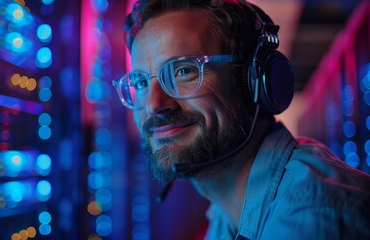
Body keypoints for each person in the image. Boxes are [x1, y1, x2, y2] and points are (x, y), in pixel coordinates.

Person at [112, 0, 370, 239]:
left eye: (184, 71)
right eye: (141, 82)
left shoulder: (310, 216)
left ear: (253, 82)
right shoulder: (224, 213)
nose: (154, 104)